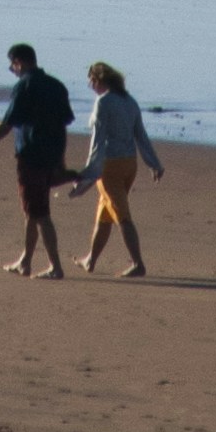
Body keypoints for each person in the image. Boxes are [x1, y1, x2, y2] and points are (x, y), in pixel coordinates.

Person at [0, 40, 74, 277]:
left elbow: (7, 124)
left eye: (12, 66)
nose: (12, 71)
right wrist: (61, 160)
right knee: (31, 210)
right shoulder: (57, 86)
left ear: (19, 62)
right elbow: (63, 125)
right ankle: (25, 261)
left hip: (31, 155)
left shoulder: (24, 86)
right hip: (51, 154)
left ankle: (55, 266)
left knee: (40, 213)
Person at [62, 58, 164, 277]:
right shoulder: (130, 101)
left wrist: (89, 172)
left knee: (122, 216)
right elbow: (141, 135)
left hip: (110, 166)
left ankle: (138, 264)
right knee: (105, 213)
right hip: (130, 164)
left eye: (91, 80)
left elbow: (97, 141)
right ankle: (91, 259)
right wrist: (153, 162)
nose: (90, 85)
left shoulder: (104, 102)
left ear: (100, 79)